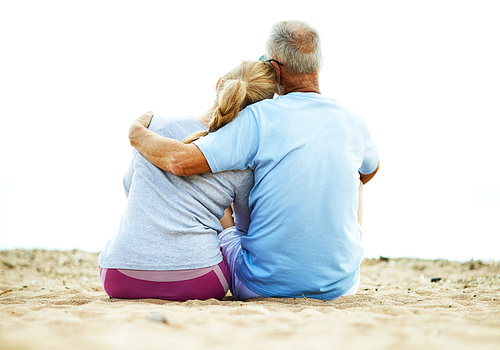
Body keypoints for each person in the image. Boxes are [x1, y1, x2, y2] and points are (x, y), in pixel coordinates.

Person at [129, 20, 379, 301]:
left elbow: (180, 162)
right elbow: (369, 172)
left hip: (261, 285)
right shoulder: (353, 120)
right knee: (355, 178)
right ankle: (333, 259)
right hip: (340, 286)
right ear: (318, 65)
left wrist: (137, 134)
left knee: (223, 190)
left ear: (274, 68)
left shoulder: (259, 117)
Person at [98, 60, 281, 301]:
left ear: (219, 85)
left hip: (119, 276)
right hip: (198, 281)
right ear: (261, 110)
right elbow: (245, 231)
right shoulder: (244, 158)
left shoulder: (154, 127)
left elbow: (129, 187)